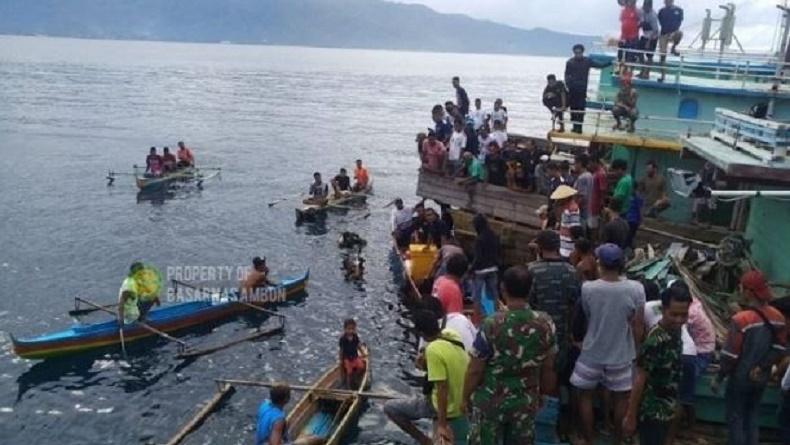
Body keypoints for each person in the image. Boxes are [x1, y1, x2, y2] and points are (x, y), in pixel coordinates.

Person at [463, 265, 558, 445]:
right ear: (530, 290)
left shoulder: (491, 324)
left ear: (503, 289)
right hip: (525, 401)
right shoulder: (546, 323)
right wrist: (543, 395)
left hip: (491, 401)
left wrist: (464, 397)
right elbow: (548, 367)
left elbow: (475, 369)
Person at [571, 243, 645, 445]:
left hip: (592, 352)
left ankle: (589, 439)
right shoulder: (636, 289)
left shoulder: (588, 289)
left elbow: (587, 317)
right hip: (621, 354)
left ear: (599, 264)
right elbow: (638, 325)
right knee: (621, 399)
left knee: (584, 396)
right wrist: (635, 351)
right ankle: (618, 441)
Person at [712, 270, 787, 445]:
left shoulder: (741, 320)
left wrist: (719, 377)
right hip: (761, 376)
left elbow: (730, 355)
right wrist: (761, 367)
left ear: (748, 291)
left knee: (736, 418)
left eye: (741, 288)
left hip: (740, 377)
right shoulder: (778, 317)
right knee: (752, 416)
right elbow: (780, 348)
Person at [384, 310, 470, 445]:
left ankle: (425, 441)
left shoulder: (433, 350)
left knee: (391, 408)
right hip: (462, 400)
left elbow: (442, 388)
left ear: (421, 333)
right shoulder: (452, 337)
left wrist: (442, 425)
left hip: (445, 407)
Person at [623, 280, 692, 445]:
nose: (679, 320)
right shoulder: (655, 341)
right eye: (674, 314)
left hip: (667, 408)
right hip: (652, 411)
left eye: (684, 315)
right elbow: (640, 378)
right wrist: (631, 416)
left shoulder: (675, 333)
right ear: (663, 310)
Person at [527, 230, 581, 396]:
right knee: (556, 373)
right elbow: (576, 304)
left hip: (535, 331)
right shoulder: (571, 271)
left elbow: (528, 302)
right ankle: (554, 410)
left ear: (540, 247)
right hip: (562, 332)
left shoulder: (532, 270)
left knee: (536, 374)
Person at [255, 384, 323, 445]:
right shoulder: (279, 419)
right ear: (286, 399)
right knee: (315, 439)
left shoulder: (265, 404)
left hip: (261, 442)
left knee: (287, 423)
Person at [565, 44, 611, 133]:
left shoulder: (587, 61)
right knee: (573, 109)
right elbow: (566, 74)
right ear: (574, 52)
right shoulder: (570, 62)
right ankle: (575, 127)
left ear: (582, 52)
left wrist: (610, 63)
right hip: (573, 89)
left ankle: (579, 128)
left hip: (582, 89)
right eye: (576, 52)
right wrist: (568, 84)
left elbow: (600, 65)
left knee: (581, 109)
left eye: (579, 52)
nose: (578, 54)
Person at [470, 214, 500, 317]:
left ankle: (478, 319)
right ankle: (497, 316)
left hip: (480, 271)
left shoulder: (479, 239)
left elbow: (478, 258)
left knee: (477, 297)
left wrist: (470, 270)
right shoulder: (494, 236)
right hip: (493, 268)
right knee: (494, 295)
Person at [551, 185, 582, 258]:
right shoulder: (566, 209)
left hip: (569, 247)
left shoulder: (572, 209)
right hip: (563, 244)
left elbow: (575, 229)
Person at [658, 0, 684, 82]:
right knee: (662, 55)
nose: (667, 2)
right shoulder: (661, 11)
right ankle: (663, 76)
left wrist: (673, 31)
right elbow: (660, 21)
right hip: (663, 33)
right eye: (666, 1)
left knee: (679, 33)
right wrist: (666, 30)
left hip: (674, 32)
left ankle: (673, 47)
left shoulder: (679, 10)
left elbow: (680, 21)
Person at [338, 318, 366, 389]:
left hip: (355, 357)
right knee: (349, 372)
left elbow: (358, 345)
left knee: (361, 367)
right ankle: (348, 385)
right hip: (347, 358)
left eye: (352, 329)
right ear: (345, 329)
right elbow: (341, 350)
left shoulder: (355, 337)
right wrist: (341, 360)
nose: (351, 331)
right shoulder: (343, 339)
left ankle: (355, 377)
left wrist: (363, 353)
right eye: (349, 329)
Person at [638, 0, 660, 79]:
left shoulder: (653, 15)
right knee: (639, 51)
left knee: (649, 55)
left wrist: (648, 42)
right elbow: (640, 22)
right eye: (644, 7)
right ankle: (642, 69)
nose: (645, 9)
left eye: (647, 7)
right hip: (645, 34)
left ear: (650, 7)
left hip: (653, 36)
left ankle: (647, 73)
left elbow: (655, 30)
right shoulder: (641, 10)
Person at [587, 157, 608, 241]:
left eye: (591, 163)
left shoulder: (601, 174)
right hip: (592, 202)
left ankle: (593, 242)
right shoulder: (596, 172)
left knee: (594, 226)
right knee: (591, 225)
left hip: (595, 204)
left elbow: (603, 189)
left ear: (595, 162)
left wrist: (601, 202)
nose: (590, 165)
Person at [618, 0, 641, 69]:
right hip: (624, 36)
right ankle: (619, 68)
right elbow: (622, 21)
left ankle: (628, 70)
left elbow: (640, 21)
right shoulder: (623, 11)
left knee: (630, 55)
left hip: (633, 36)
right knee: (620, 53)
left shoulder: (637, 11)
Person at [573, 154, 593, 222]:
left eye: (575, 163)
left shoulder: (582, 178)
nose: (574, 165)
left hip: (581, 212)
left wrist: (573, 209)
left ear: (580, 163)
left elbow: (581, 197)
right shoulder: (590, 175)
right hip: (587, 211)